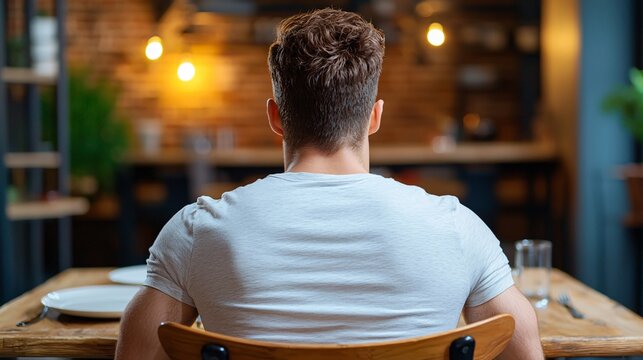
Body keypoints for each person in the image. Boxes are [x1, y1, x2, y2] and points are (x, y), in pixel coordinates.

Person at [116, 8, 543, 359]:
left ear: (276, 118)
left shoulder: (195, 231)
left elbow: (134, 355)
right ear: (374, 117)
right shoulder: (457, 227)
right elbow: (525, 352)